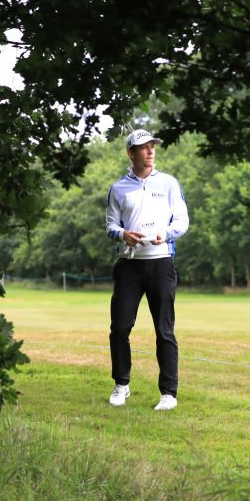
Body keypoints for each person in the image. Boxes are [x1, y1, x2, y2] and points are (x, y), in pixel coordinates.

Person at [105, 129, 189, 411]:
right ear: (131, 153)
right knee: (120, 327)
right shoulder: (118, 188)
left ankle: (169, 393)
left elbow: (182, 221)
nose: (150, 151)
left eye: (152, 146)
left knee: (164, 330)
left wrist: (164, 235)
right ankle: (121, 384)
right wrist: (121, 234)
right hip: (129, 265)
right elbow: (110, 225)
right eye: (143, 147)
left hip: (161, 261)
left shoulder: (168, 183)